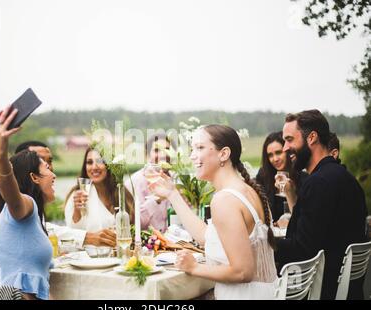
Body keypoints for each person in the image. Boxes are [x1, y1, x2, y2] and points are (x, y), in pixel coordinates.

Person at [149, 124, 277, 300]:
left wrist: (194, 268)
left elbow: (242, 272)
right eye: (192, 149)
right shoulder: (248, 190)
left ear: (223, 154)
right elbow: (206, 237)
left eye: (199, 148)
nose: (192, 155)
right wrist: (172, 194)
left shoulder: (225, 200)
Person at [0, 141, 116, 287]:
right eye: (41, 162)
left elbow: (39, 230)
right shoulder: (10, 196)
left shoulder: (31, 203)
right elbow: (9, 188)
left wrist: (86, 238)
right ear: (28, 170)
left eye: (50, 161)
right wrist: (0, 150)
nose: (52, 171)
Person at [276, 109, 368, 300]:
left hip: (323, 290)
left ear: (312, 138)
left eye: (290, 139)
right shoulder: (346, 177)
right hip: (349, 290)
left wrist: (265, 241)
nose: (285, 148)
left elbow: (303, 251)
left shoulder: (319, 183)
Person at [0, 106, 55, 299]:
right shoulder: (24, 205)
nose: (54, 174)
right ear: (34, 177)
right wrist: (0, 152)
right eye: (48, 168)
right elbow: (8, 185)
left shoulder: (28, 216)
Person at [64, 147, 135, 232]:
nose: (94, 167)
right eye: (89, 162)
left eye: (100, 161)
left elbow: (133, 226)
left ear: (109, 165)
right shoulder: (78, 195)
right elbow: (74, 232)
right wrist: (77, 210)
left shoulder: (121, 191)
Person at [255, 131, 308, 224]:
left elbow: (306, 215)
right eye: (270, 155)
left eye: (278, 152)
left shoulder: (302, 176)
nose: (275, 159)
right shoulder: (263, 176)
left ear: (288, 150)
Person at [129, 133, 175, 232]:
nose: (163, 155)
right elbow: (134, 224)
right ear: (147, 154)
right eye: (157, 150)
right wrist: (156, 199)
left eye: (167, 149)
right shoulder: (134, 182)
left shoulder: (178, 180)